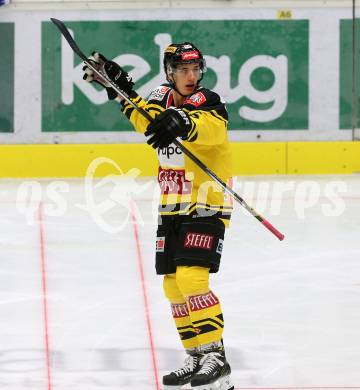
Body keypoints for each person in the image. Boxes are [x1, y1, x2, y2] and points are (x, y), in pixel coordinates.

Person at [83, 42, 234, 390]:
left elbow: (213, 130)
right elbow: (144, 119)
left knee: (193, 278)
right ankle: (196, 356)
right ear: (169, 71)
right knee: (173, 285)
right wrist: (119, 91)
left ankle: (216, 356)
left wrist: (183, 121)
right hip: (172, 205)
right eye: (183, 70)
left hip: (207, 201)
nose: (191, 76)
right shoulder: (158, 97)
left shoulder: (209, 102)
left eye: (196, 69)